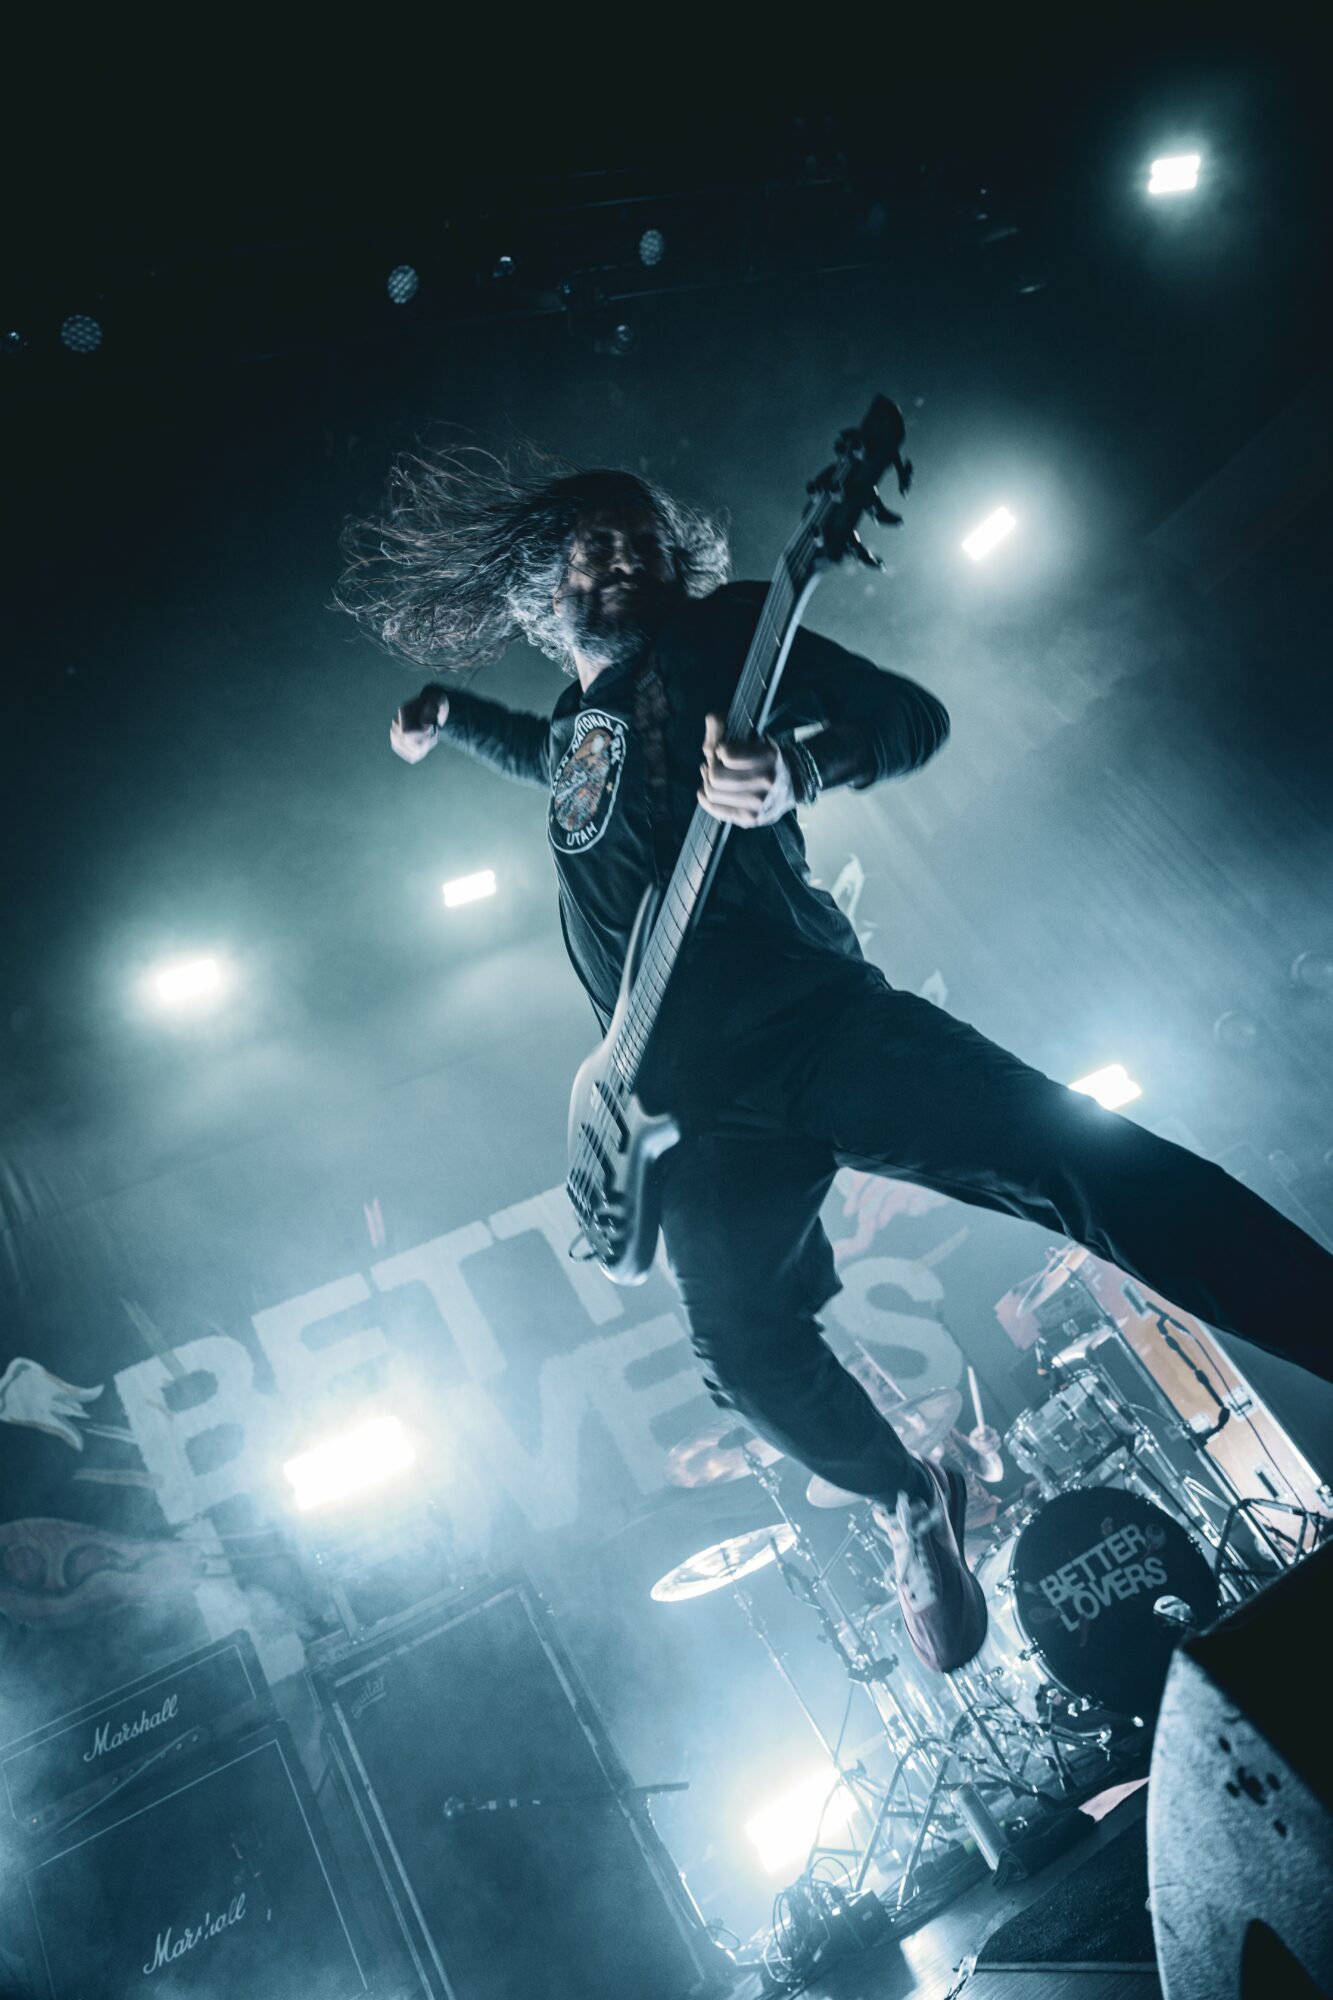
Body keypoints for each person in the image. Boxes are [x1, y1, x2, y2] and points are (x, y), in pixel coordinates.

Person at [337, 446, 1333, 1674]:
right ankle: (912, 1497)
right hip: (686, 1107)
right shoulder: (569, 726)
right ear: (543, 590)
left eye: (636, 533)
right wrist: (449, 714)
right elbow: (544, 760)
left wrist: (797, 768)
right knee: (744, 1353)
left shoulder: (728, 630)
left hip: (816, 1024)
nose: (618, 553)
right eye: (589, 542)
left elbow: (911, 717)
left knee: (1074, 1157)